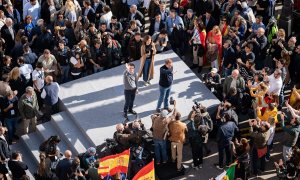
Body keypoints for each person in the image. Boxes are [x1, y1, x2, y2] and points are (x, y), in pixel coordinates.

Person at [168, 103, 187, 171]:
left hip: (172, 140)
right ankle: (179, 167)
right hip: (179, 141)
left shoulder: (171, 123)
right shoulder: (183, 125)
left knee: (173, 150)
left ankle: (173, 159)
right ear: (180, 117)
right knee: (179, 154)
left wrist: (174, 107)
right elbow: (186, 130)